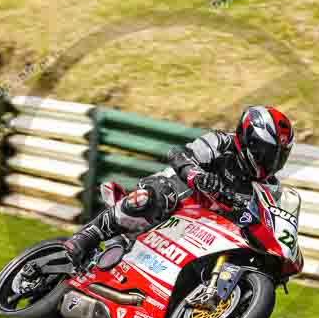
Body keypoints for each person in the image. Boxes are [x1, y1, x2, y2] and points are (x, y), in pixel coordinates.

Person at [65, 105, 295, 270]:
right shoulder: (221, 142)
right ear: (248, 140)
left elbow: (271, 221)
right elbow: (179, 154)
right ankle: (86, 237)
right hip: (177, 201)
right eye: (266, 153)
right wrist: (196, 175)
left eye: (278, 156)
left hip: (204, 231)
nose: (270, 162)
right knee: (154, 196)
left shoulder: (269, 187)